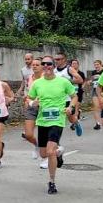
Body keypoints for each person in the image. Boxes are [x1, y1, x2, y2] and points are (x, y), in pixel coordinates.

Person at [28, 56, 74, 195]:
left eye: (49, 64)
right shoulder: (37, 84)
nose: (46, 66)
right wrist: (32, 103)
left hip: (57, 120)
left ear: (54, 66)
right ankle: (58, 152)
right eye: (44, 64)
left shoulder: (63, 82)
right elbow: (29, 99)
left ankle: (52, 182)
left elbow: (74, 96)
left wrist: (70, 107)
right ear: (42, 66)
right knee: (43, 154)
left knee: (49, 152)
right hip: (42, 121)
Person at [21, 53, 40, 159]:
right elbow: (29, 92)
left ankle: (47, 155)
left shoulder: (45, 78)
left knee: (45, 133)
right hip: (31, 106)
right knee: (28, 134)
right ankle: (36, 145)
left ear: (42, 67)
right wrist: (27, 99)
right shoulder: (30, 78)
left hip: (43, 107)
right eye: (34, 65)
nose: (34, 66)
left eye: (37, 65)